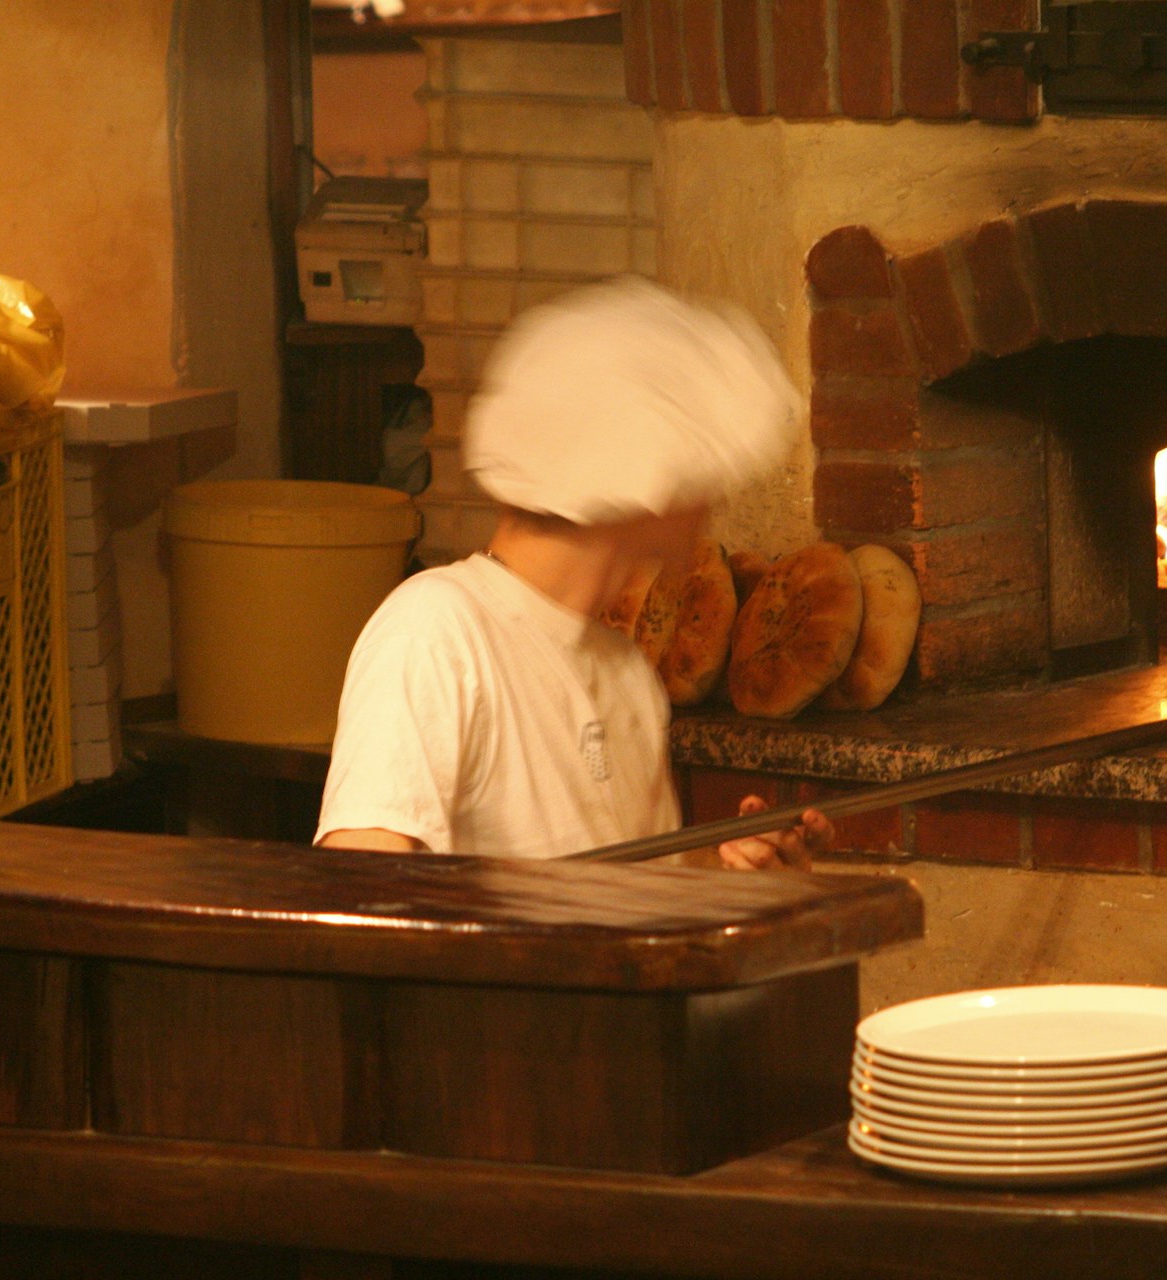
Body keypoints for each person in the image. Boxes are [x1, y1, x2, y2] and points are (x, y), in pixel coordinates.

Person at [313, 277, 830, 870]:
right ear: (644, 478)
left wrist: (733, 875)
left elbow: (629, 904)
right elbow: (363, 896)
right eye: (696, 466)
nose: (708, 498)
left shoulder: (626, 673)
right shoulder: (436, 630)